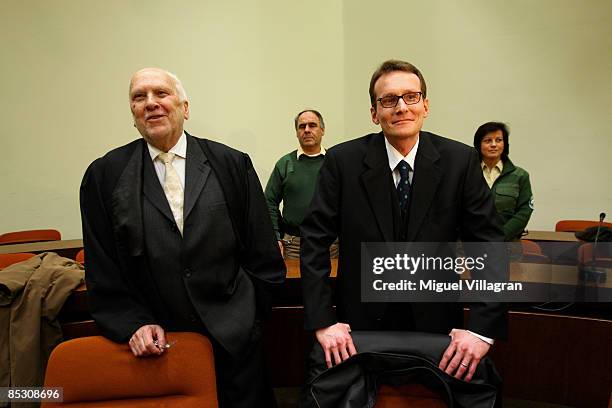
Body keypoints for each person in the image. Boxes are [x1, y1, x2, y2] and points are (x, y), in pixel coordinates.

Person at [80, 67, 285, 408]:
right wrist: (134, 323)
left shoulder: (231, 164)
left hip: (236, 346)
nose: (151, 103)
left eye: (161, 93)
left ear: (185, 107)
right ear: (132, 113)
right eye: (139, 97)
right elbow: (103, 268)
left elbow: (263, 253)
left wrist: (248, 316)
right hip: (157, 345)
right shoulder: (104, 175)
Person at [300, 59, 507, 383]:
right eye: (388, 100)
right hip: (361, 326)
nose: (401, 107)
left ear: (425, 106)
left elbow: (490, 244)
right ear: (374, 112)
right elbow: (314, 239)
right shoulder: (343, 162)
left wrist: (482, 330)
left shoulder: (460, 160)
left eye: (411, 97)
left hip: (437, 327)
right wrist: (323, 321)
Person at [265, 109, 338, 259]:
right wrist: (276, 237)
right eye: (302, 126)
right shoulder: (284, 164)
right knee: (295, 283)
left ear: (322, 130)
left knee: (332, 283)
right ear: (296, 132)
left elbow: (349, 202)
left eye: (312, 125)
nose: (307, 130)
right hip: (293, 245)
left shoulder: (335, 162)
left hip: (330, 243)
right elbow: (269, 202)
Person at [474, 122, 534, 241]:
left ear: (505, 144)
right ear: (478, 145)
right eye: (488, 141)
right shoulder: (468, 173)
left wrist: (500, 236)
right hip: (472, 245)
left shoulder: (519, 176)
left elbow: (524, 211)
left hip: (507, 245)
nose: (494, 145)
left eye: (499, 140)